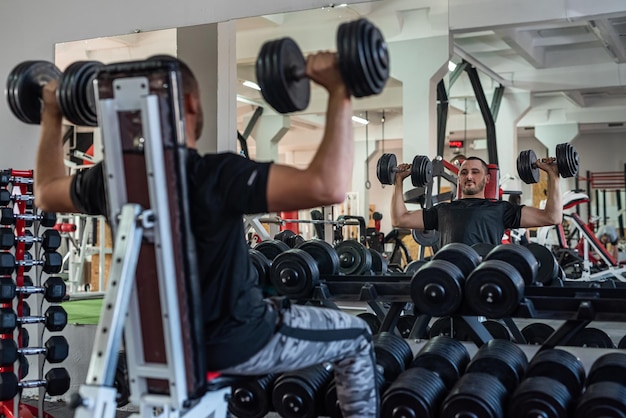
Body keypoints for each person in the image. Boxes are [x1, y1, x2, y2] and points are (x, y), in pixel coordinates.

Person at [34, 56, 378, 417]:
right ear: (192, 105)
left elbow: (45, 192)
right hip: (241, 342)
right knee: (356, 337)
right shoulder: (216, 174)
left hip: (155, 351)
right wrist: (340, 88)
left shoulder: (110, 181)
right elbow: (329, 186)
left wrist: (52, 112)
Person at [391, 156, 562, 247]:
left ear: (487, 179)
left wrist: (553, 176)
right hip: (449, 279)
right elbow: (400, 219)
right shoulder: (442, 210)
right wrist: (398, 181)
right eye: (464, 173)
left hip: (483, 281)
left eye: (475, 172)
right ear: (458, 179)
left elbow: (551, 217)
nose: (469, 176)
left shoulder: (501, 210)